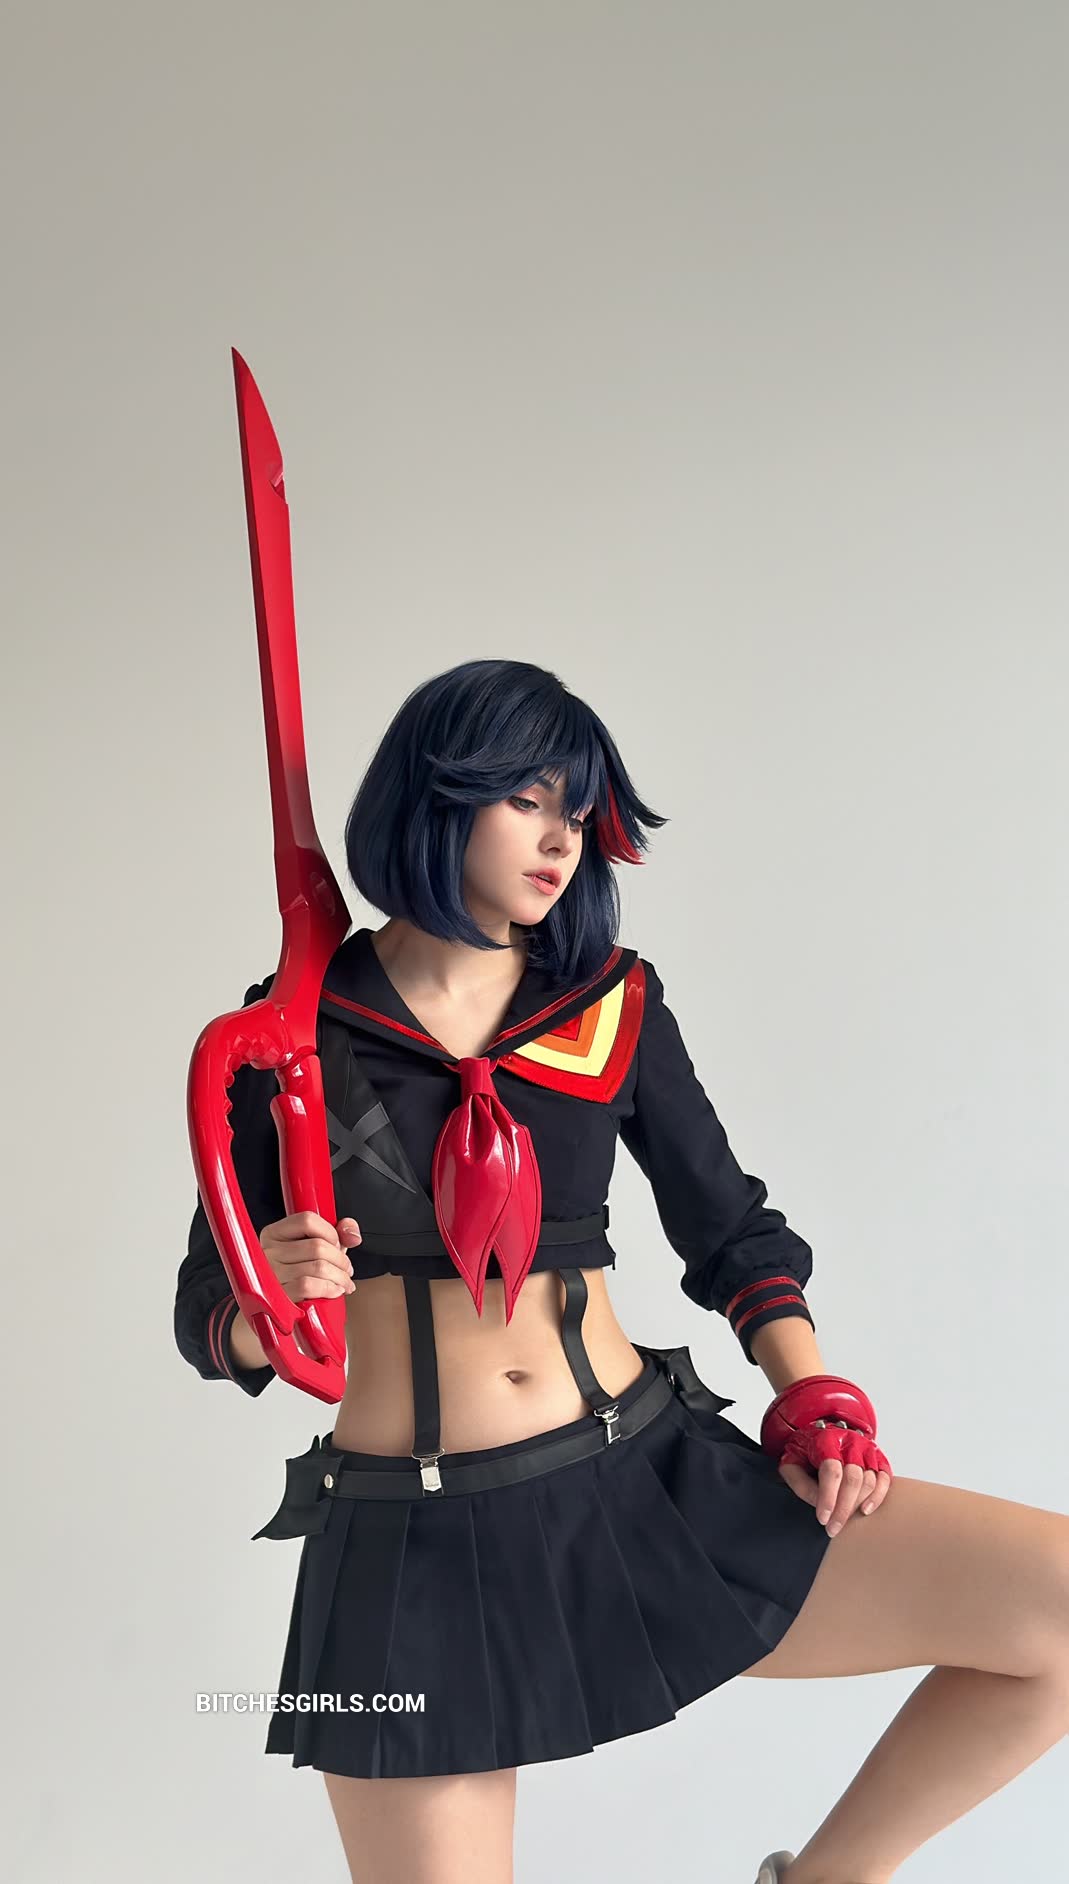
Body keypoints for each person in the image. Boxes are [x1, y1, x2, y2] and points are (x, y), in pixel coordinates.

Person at [175, 659, 1069, 1884]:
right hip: (409, 1547)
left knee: (1055, 1610)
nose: (561, 840)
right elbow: (205, 1311)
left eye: (576, 811)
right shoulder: (291, 1036)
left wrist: (810, 1390)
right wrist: (267, 1304)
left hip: (638, 1485)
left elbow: (730, 1228)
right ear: (439, 795)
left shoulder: (611, 1003)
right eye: (527, 800)